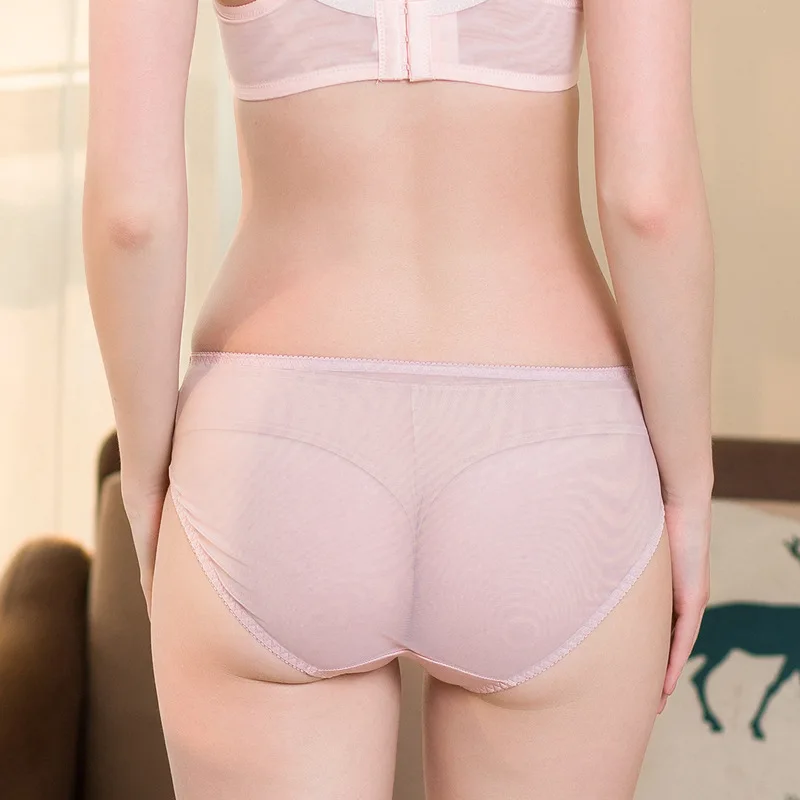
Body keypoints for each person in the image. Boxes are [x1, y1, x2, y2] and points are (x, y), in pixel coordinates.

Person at [83, 0, 714, 795]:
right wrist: (688, 491)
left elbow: (132, 217)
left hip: (272, 451)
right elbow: (649, 203)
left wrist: (147, 479)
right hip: (555, 459)